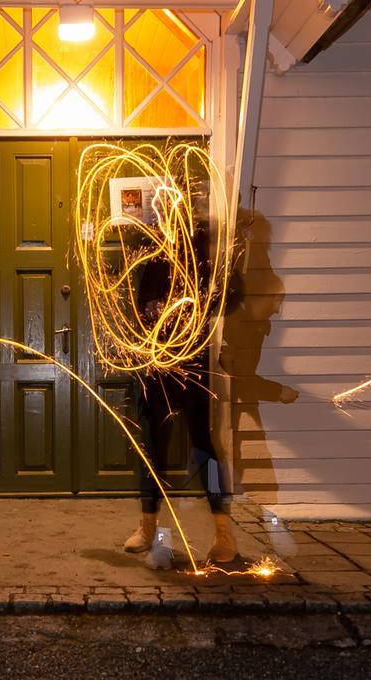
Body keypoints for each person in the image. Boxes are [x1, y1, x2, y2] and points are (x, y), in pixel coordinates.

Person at [122, 225, 241, 566]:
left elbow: (230, 295)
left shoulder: (204, 251)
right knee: (152, 449)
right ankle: (147, 526)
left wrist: (203, 300)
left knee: (204, 447)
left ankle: (224, 534)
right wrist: (158, 321)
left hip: (194, 366)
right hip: (159, 366)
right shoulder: (154, 250)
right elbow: (142, 306)